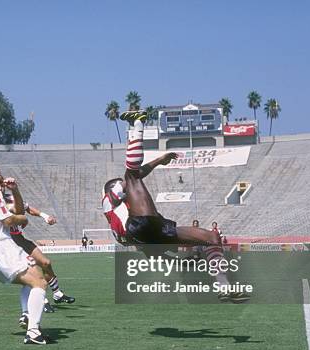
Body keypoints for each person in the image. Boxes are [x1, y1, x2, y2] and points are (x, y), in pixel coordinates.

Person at [102, 110, 249, 303]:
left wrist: (182, 263)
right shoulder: (108, 198)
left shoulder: (119, 206)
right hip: (140, 227)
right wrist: (156, 162)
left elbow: (153, 254)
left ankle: (225, 289)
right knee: (132, 174)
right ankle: (137, 125)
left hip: (150, 233)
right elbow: (133, 174)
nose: (125, 184)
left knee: (212, 238)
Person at [0, 160, 50, 345]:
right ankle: (32, 332)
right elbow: (9, 220)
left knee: (31, 281)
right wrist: (23, 220)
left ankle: (26, 316)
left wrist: (15, 191)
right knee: (39, 281)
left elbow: (18, 209)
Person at [2, 188, 75, 324]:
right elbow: (11, 217)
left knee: (46, 263)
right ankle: (36, 306)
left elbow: (28, 208)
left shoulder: (11, 197)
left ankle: (57, 293)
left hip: (20, 238)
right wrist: (21, 219)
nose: (1, 186)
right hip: (8, 242)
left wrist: (45, 216)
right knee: (33, 273)